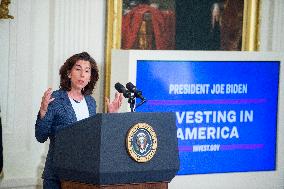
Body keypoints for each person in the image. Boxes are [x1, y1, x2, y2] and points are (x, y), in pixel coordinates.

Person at [35, 52, 123, 189]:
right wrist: (43, 111)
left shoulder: (90, 102)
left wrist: (111, 116)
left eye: (87, 71)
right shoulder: (55, 99)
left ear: (90, 77)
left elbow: (94, 137)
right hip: (57, 175)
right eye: (78, 69)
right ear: (69, 73)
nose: (82, 74)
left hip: (84, 175)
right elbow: (40, 136)